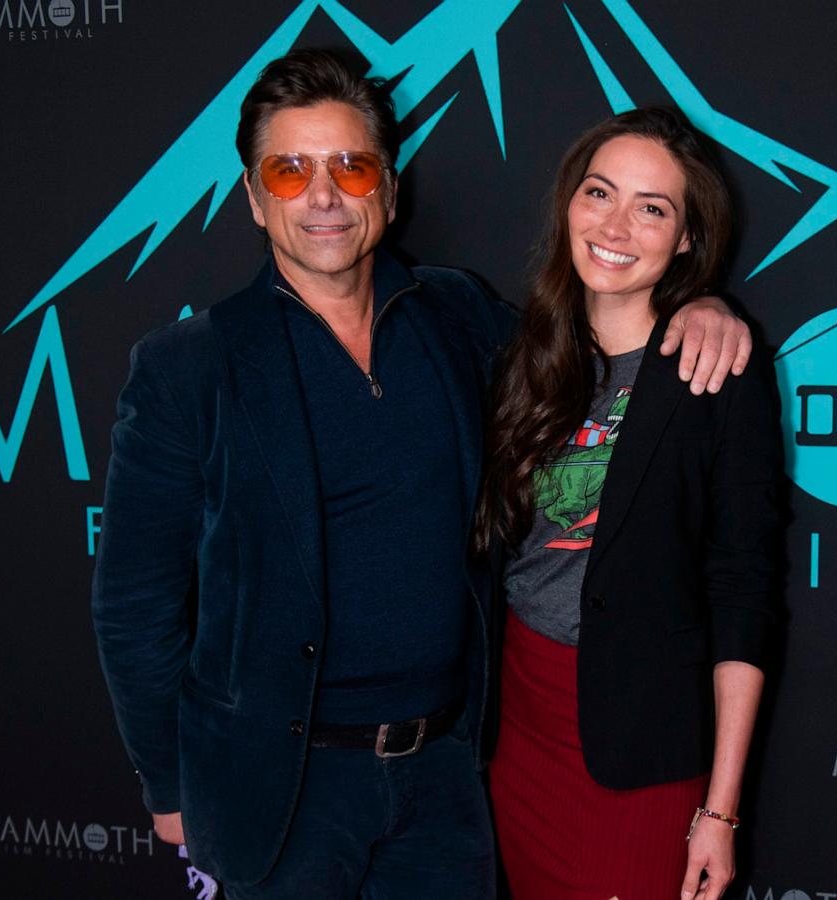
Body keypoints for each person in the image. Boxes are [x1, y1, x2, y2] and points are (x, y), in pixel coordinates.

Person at [90, 50, 752, 899]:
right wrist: (169, 787)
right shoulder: (190, 368)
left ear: (389, 191)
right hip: (283, 793)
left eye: (350, 166)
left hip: (446, 778)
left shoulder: (460, 316)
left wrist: (702, 302)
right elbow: (134, 604)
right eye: (289, 171)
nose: (323, 196)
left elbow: (596, 331)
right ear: (254, 200)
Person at [475, 108, 783, 900]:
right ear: (568, 206)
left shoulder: (716, 367)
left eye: (652, 207)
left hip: (640, 742)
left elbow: (744, 588)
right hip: (519, 722)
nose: (616, 225)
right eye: (599, 193)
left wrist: (721, 810)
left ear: (686, 238)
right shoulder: (520, 354)